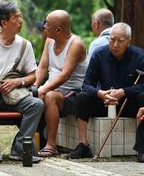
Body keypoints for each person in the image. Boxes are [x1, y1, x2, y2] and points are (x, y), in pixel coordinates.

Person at [0, 1, 44, 162]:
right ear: (4, 23)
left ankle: (19, 149)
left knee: (36, 105)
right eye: (16, 17)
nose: (21, 20)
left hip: (14, 95)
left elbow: (33, 76)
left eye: (20, 16)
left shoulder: (25, 45)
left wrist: (17, 82)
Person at [68, 22, 144, 159]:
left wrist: (123, 92)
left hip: (129, 103)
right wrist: (100, 93)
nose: (115, 45)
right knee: (82, 97)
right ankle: (83, 144)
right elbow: (86, 84)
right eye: (112, 39)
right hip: (105, 102)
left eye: (120, 41)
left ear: (128, 41)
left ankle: (142, 148)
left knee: (143, 97)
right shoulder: (99, 54)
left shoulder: (139, 56)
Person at [34, 10, 88, 157]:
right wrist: (35, 87)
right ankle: (28, 142)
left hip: (74, 93)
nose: (44, 26)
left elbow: (64, 76)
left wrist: (43, 90)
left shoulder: (75, 44)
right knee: (32, 97)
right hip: (53, 89)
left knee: (49, 96)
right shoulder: (49, 40)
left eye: (47, 23)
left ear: (58, 29)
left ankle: (51, 145)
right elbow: (42, 67)